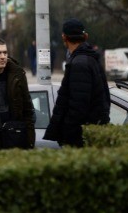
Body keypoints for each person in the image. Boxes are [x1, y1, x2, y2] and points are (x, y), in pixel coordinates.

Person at [43, 19, 110, 147]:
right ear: (85, 36)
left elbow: (78, 105)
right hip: (89, 130)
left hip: (78, 136)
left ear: (64, 37)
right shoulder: (90, 59)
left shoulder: (80, 63)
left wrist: (68, 132)